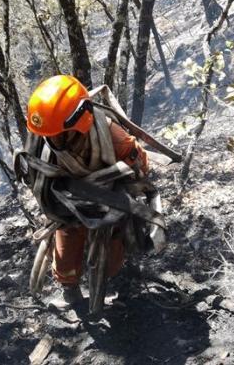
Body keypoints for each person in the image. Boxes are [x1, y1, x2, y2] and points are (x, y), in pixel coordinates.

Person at [26, 75, 150, 306]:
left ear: (80, 119)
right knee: (65, 260)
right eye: (49, 134)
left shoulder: (113, 137)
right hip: (66, 211)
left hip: (108, 208)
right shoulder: (42, 134)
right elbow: (34, 173)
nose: (53, 139)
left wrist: (112, 187)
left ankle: (113, 282)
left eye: (59, 133)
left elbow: (141, 168)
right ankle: (70, 291)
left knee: (110, 260)